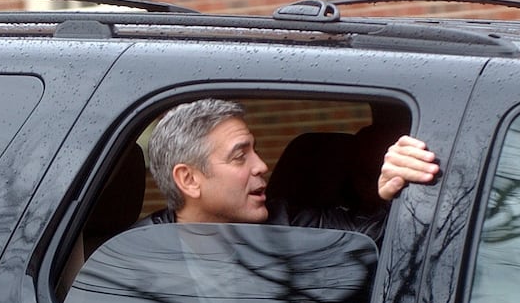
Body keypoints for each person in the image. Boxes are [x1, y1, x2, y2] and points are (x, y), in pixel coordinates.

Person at [146, 98, 439, 230]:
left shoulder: (292, 224)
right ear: (189, 180)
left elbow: (377, 241)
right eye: (240, 156)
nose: (261, 166)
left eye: (256, 151)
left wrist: (392, 195)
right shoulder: (131, 257)